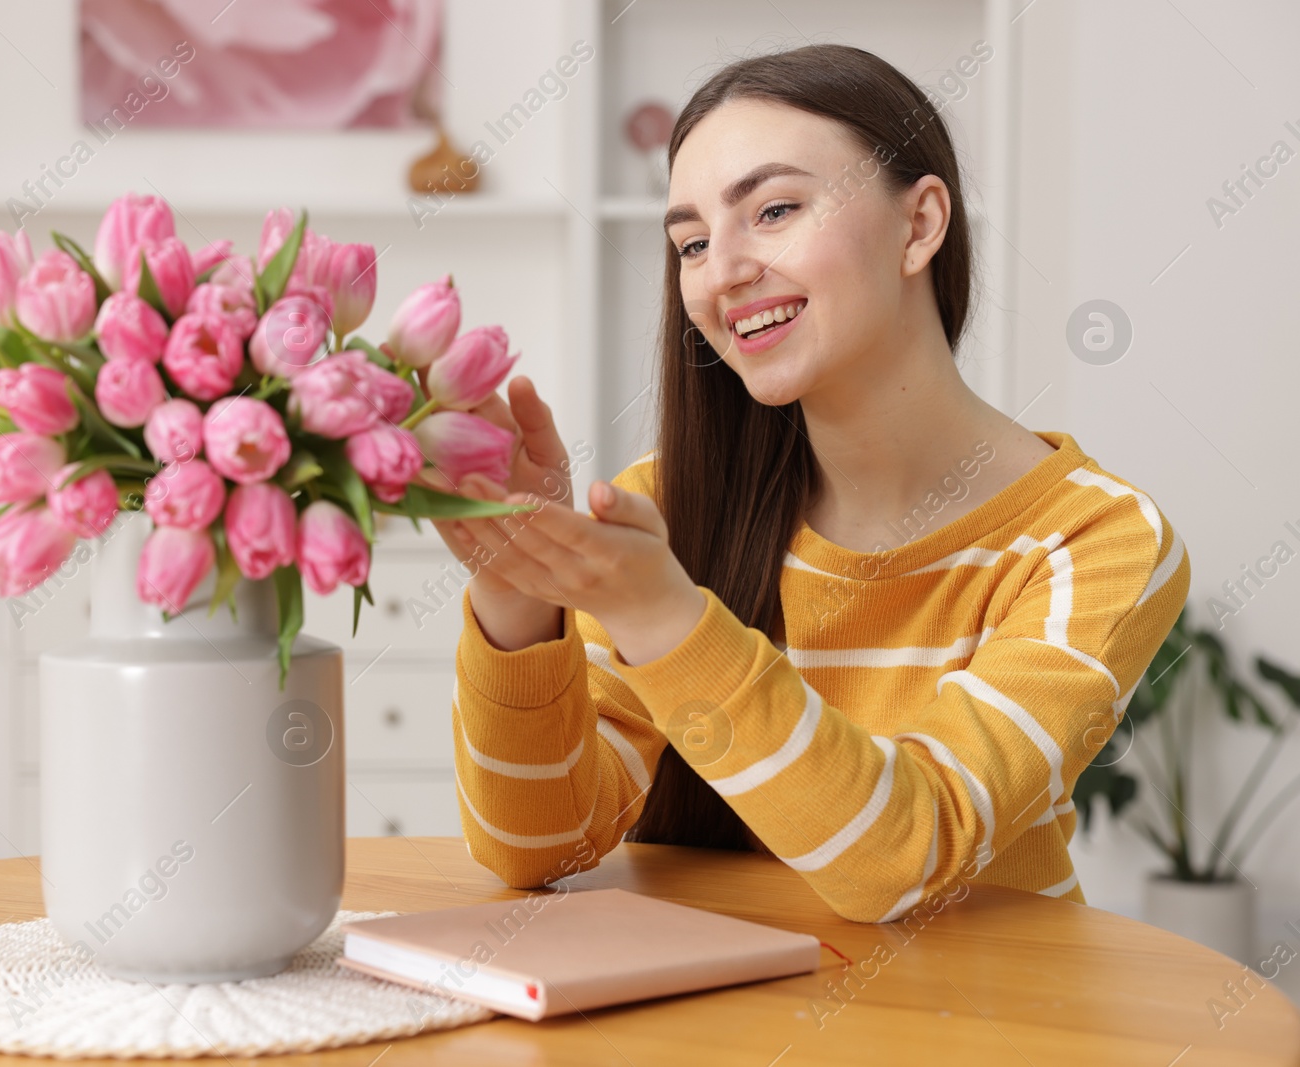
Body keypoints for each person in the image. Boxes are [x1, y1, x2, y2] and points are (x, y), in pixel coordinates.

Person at [416, 44, 1189, 922]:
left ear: (921, 224)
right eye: (693, 242)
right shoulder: (663, 516)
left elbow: (905, 854)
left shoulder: (1093, 537)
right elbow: (535, 850)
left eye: (775, 210)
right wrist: (518, 592)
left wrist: (664, 619)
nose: (723, 272)